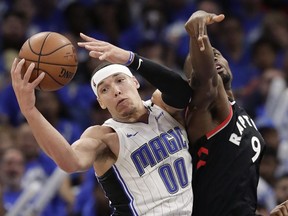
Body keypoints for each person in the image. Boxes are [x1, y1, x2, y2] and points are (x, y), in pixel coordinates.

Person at [78, 10, 266, 216]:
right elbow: (206, 78)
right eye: (207, 58)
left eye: (217, 54)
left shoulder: (237, 110)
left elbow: (235, 187)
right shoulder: (207, 106)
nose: (213, 58)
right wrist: (197, 35)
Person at [10, 43, 193, 215]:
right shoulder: (105, 136)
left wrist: (132, 59)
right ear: (101, 102)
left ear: (135, 82)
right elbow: (70, 162)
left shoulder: (162, 106)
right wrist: (30, 111)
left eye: (120, 80)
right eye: (104, 90)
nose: (115, 91)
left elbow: (183, 93)